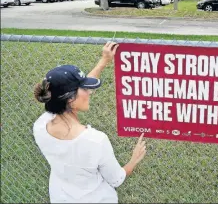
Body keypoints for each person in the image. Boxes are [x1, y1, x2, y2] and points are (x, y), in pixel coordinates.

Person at [32, 42, 147, 203]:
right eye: (85, 89)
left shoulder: (40, 126)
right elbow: (117, 179)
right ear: (71, 100)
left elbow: (70, 92)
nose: (90, 92)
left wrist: (104, 60)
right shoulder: (95, 141)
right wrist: (134, 159)